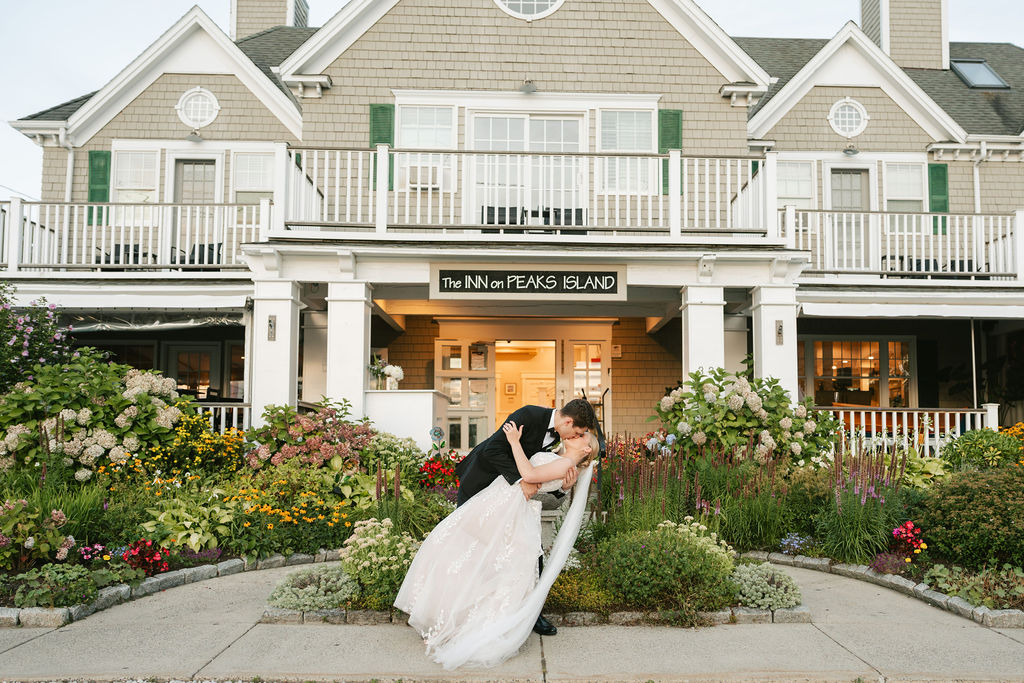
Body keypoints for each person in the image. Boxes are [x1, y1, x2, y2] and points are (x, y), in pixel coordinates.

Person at [394, 421, 599, 670]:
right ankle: (448, 619)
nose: (576, 434)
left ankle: (459, 625)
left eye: (581, 436)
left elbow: (531, 476)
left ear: (587, 450)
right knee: (466, 553)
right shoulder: (559, 458)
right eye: (577, 432)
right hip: (501, 500)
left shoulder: (566, 464)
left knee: (471, 556)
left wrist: (514, 442)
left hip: (509, 509)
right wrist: (563, 486)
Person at [453, 398, 598, 635]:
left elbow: (542, 480)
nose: (575, 437)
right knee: (474, 549)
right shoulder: (529, 415)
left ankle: (531, 614)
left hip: (510, 499)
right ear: (569, 422)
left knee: (529, 553)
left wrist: (562, 489)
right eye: (578, 432)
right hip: (480, 485)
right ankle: (464, 609)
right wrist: (522, 480)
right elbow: (493, 450)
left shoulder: (560, 447)